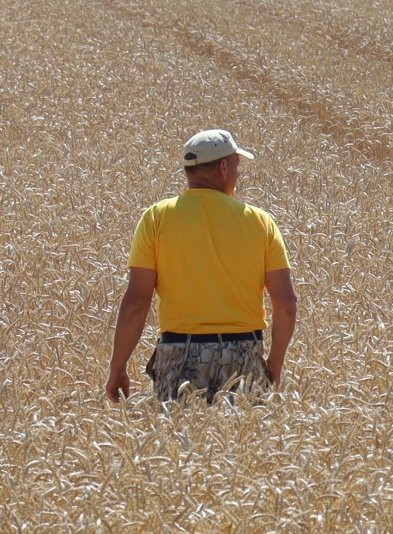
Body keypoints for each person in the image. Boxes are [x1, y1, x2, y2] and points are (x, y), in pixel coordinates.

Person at [105, 129, 298, 404]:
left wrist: (117, 368)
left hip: (179, 354)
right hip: (242, 355)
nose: (238, 174)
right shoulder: (260, 222)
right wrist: (273, 364)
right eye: (236, 166)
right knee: (241, 444)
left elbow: (136, 302)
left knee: (178, 444)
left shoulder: (156, 218)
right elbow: (287, 303)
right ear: (222, 167)